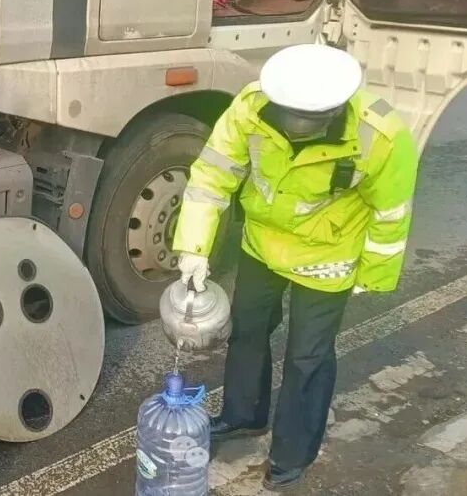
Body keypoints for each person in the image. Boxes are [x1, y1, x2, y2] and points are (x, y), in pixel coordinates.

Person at [171, 43, 419, 491]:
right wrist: (194, 247)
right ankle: (244, 414)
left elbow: (391, 212)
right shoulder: (250, 108)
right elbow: (211, 178)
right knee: (247, 330)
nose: (296, 128)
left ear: (336, 108)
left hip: (328, 256)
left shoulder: (379, 134)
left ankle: (292, 452)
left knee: (308, 356)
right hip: (262, 243)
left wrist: (372, 274)